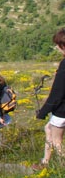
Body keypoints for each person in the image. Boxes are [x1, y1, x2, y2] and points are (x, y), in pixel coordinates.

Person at [34, 28, 65, 169]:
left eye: (58, 45)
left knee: (56, 139)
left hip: (62, 110)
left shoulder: (64, 65)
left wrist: (43, 111)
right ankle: (45, 162)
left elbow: (57, 93)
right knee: (48, 128)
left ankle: (61, 165)